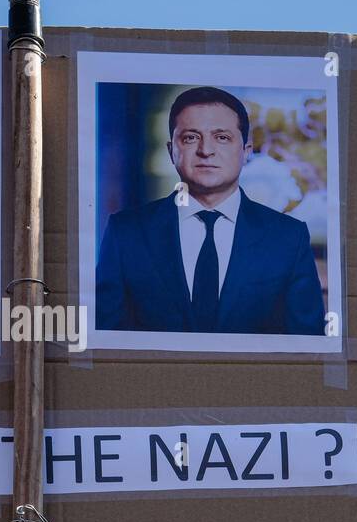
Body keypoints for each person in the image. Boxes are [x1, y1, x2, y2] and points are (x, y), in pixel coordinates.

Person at [95, 85, 325, 336]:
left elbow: (307, 347)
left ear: (246, 152)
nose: (206, 150)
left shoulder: (288, 238)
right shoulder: (126, 232)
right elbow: (106, 338)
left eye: (222, 137)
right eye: (191, 137)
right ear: (172, 150)